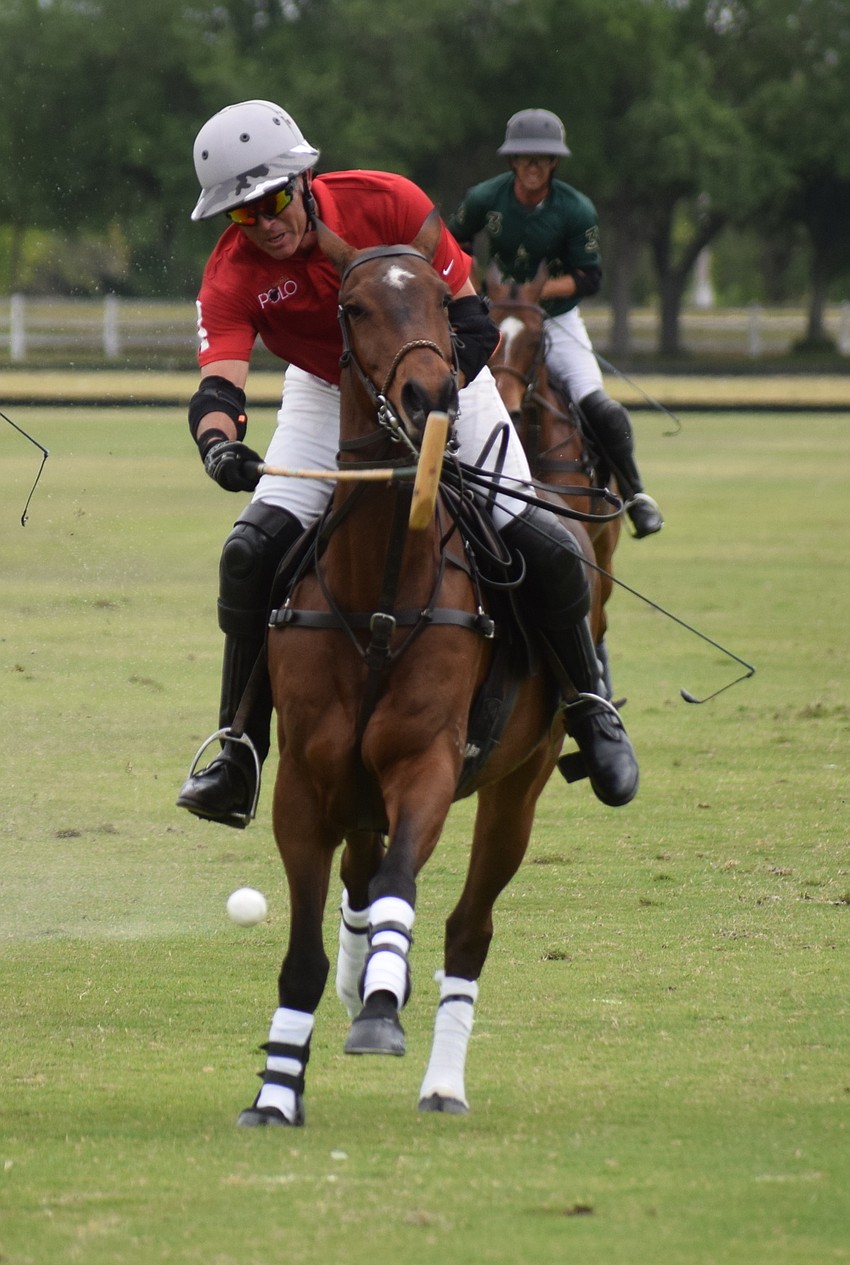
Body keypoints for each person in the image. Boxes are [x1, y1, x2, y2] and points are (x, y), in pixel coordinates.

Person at [175, 99, 640, 832]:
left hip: (442, 371)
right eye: (241, 214)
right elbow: (219, 385)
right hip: (328, 391)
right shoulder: (233, 273)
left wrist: (432, 396)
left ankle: (590, 707)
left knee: (545, 542)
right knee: (247, 552)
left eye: (270, 199)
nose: (264, 222)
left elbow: (470, 313)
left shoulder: (388, 201)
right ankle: (238, 748)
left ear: (302, 179)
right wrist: (219, 444)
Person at [447, 108, 664, 539]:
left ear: (554, 164)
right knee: (453, 391)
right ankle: (445, 484)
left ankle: (636, 495)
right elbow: (455, 244)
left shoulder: (575, 209)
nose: (532, 167)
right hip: (496, 317)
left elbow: (589, 277)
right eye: (525, 159)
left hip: (558, 320)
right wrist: (476, 291)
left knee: (599, 405)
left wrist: (532, 294)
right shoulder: (485, 198)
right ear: (512, 162)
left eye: (542, 160)